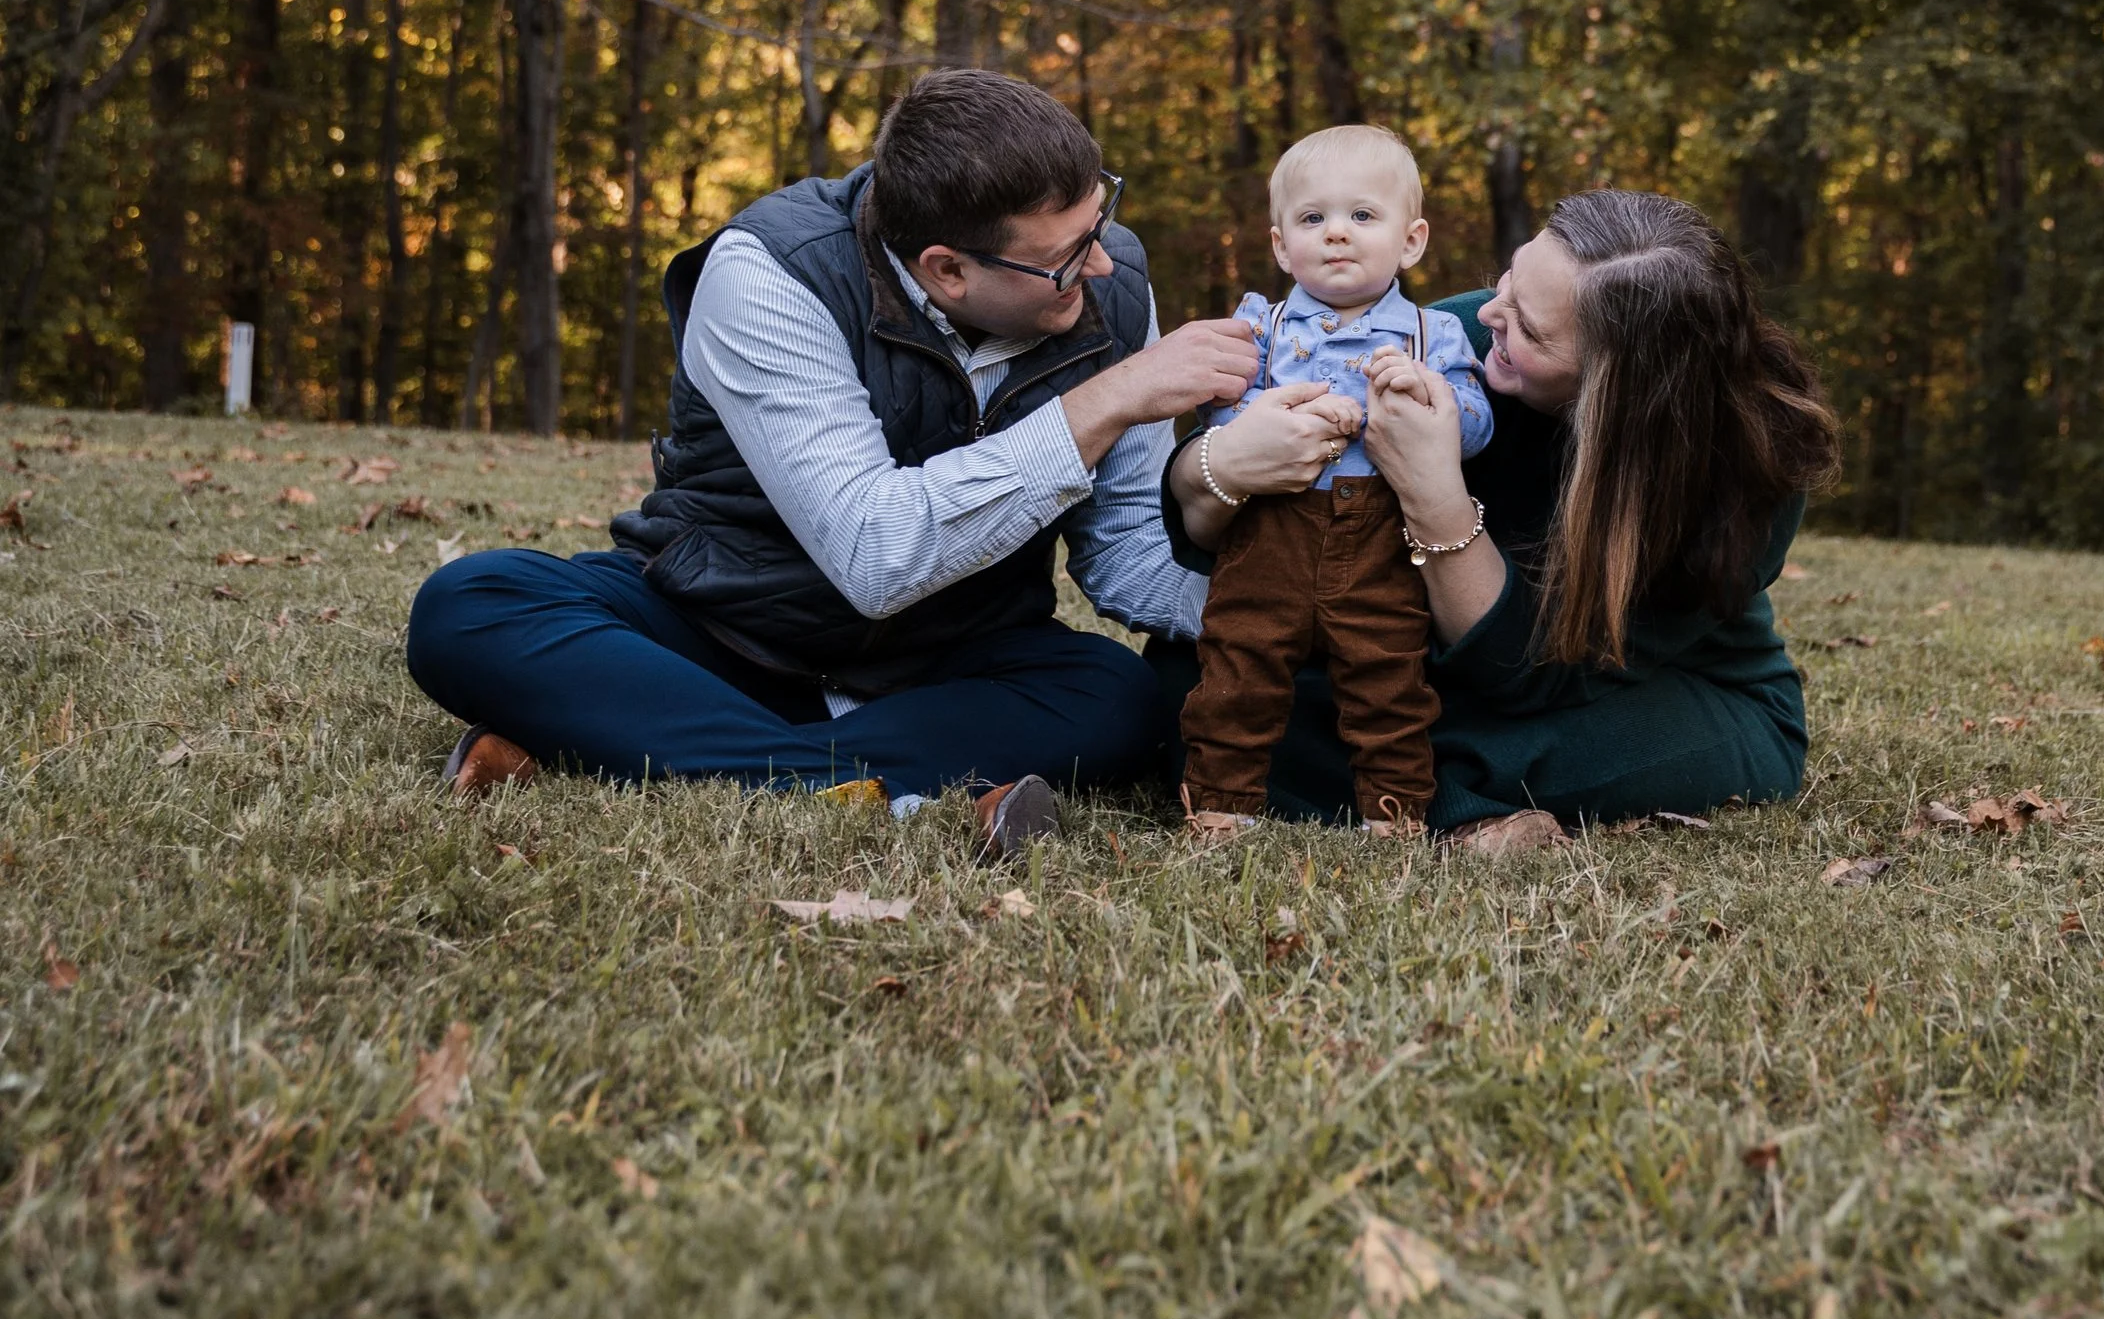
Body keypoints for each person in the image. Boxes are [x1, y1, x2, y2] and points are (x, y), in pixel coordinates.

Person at [405, 69, 1352, 852]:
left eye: (1100, 225)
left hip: (957, 653)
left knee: (1122, 698)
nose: (1101, 267)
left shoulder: (1113, 281)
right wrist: (1104, 401)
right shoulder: (771, 273)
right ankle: (858, 774)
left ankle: (636, 741)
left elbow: (1127, 554)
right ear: (947, 268)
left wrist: (1296, 613)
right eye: (1067, 259)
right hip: (726, 629)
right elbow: (873, 554)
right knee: (471, 605)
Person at [1167, 188, 1838, 849]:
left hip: (1637, 688)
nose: (1490, 311)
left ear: (1616, 388)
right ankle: (1411, 785)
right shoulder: (1453, 340)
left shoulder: (1750, 467)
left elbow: (1529, 674)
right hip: (1408, 660)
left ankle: (1429, 799)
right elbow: (1224, 527)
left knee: (1506, 740)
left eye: (1532, 330)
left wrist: (1434, 495)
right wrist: (1225, 461)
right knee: (1191, 684)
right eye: (1508, 282)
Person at [1179, 124, 1493, 838]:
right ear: (1281, 245)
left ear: (1410, 241)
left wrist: (1427, 396)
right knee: (1238, 662)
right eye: (1313, 217)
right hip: (1272, 532)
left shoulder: (1431, 336)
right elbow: (1216, 410)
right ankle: (1220, 805)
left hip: (1379, 536)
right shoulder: (1262, 326)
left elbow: (1477, 427)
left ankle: (1394, 813)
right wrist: (1265, 416)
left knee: (1387, 673)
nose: (1337, 233)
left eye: (1362, 214)